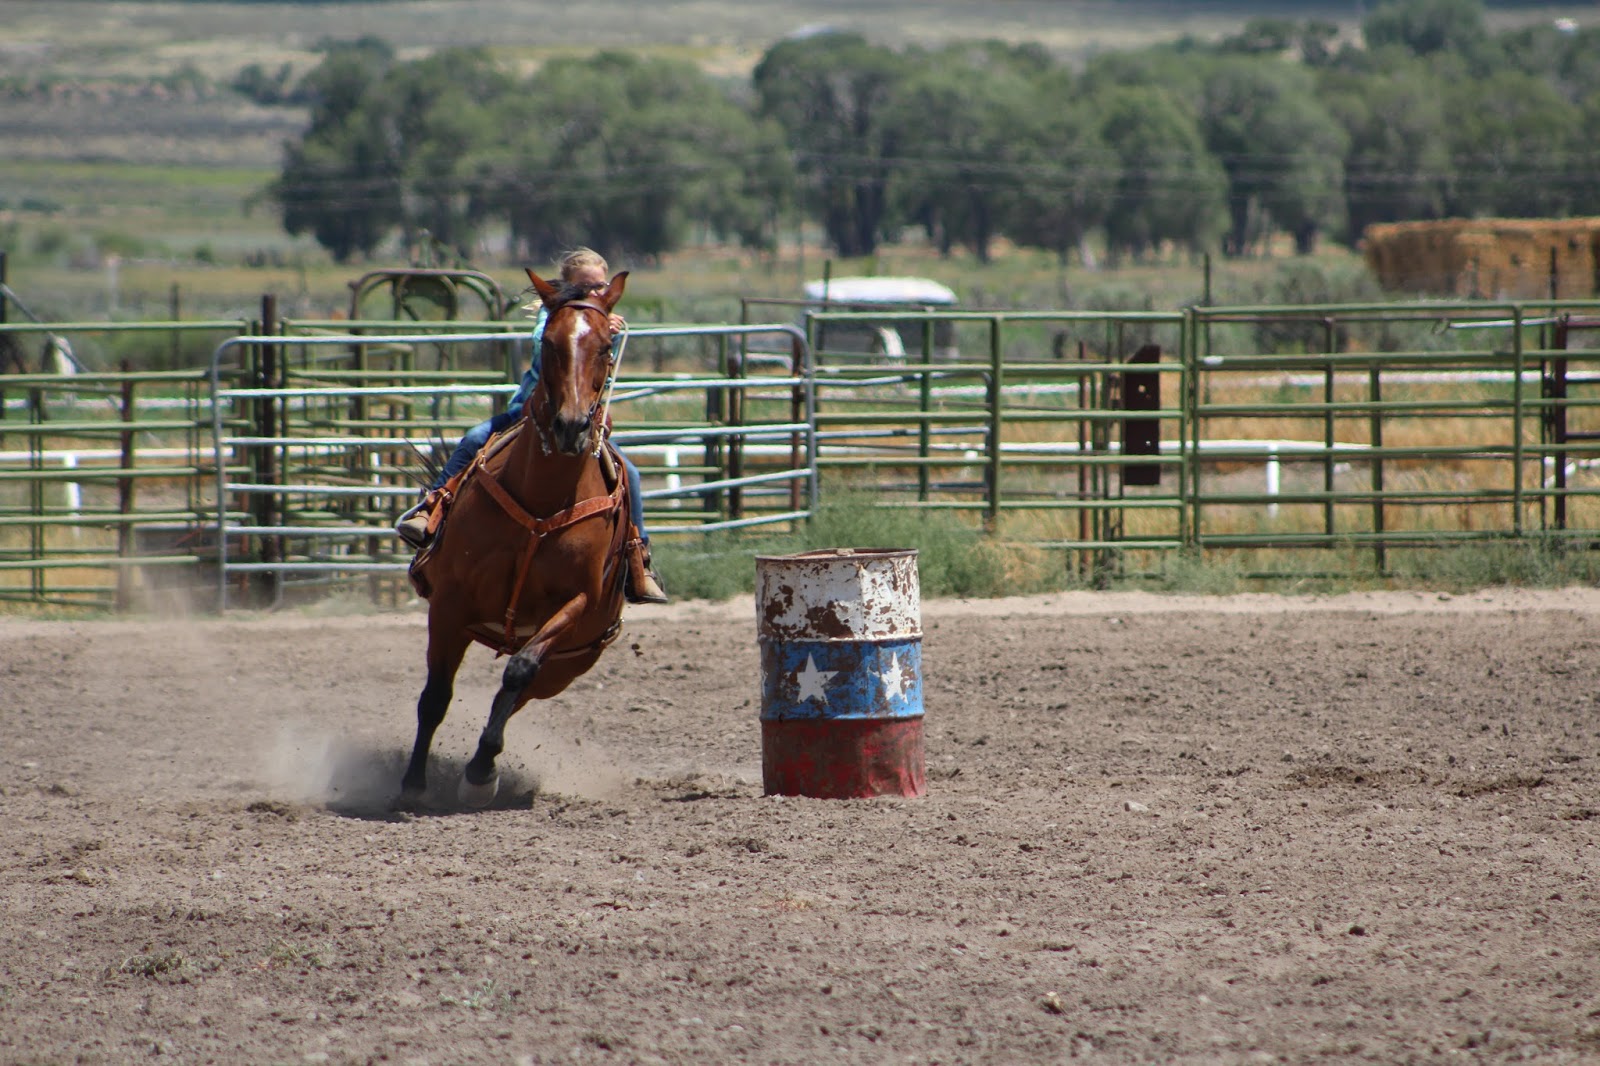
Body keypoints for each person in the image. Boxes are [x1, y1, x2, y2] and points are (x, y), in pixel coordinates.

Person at [396, 248, 667, 604]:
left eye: (600, 287)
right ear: (565, 288)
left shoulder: (603, 321)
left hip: (586, 422)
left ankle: (638, 558)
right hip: (529, 414)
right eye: (584, 287)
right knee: (475, 438)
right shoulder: (550, 316)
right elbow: (545, 343)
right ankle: (433, 508)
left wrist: (603, 331)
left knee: (629, 475)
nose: (594, 294)